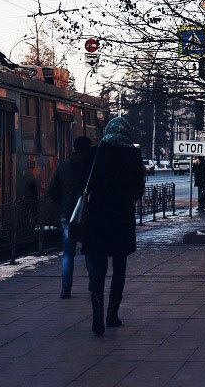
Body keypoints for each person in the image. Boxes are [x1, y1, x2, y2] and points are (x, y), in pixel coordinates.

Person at [80, 117, 145, 336]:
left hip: (97, 218)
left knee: (97, 270)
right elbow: (139, 191)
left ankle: (97, 312)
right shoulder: (133, 155)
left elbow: (84, 183)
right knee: (119, 268)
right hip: (121, 219)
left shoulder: (95, 153)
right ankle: (112, 314)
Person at [47, 135, 93, 299]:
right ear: (88, 148)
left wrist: (65, 205)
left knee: (68, 253)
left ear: (74, 147)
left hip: (68, 214)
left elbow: (52, 190)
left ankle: (65, 289)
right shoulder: (91, 166)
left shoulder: (64, 165)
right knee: (90, 250)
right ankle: (93, 284)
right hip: (88, 214)